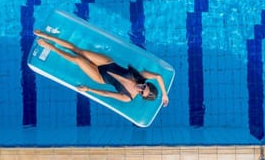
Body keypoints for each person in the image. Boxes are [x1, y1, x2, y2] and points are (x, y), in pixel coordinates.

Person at [34, 30, 169, 107]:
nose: (140, 90)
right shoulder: (140, 75)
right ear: (147, 84)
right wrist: (164, 94)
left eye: (141, 93)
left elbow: (106, 94)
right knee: (78, 51)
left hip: (100, 77)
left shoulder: (128, 97)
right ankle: (48, 36)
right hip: (108, 63)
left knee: (77, 59)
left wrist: (88, 89)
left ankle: (50, 47)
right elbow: (158, 76)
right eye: (143, 88)